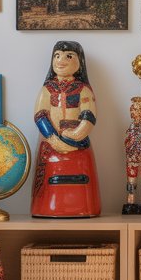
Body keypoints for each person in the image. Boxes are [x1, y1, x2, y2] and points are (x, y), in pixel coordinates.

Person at [31, 40, 101, 217]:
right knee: (48, 177)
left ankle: (84, 208)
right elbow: (40, 115)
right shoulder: (47, 89)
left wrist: (78, 134)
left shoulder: (83, 89)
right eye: (57, 56)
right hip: (51, 143)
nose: (61, 60)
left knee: (81, 176)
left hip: (78, 145)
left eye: (68, 56)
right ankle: (46, 207)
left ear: (79, 63)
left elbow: (89, 115)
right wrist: (52, 138)